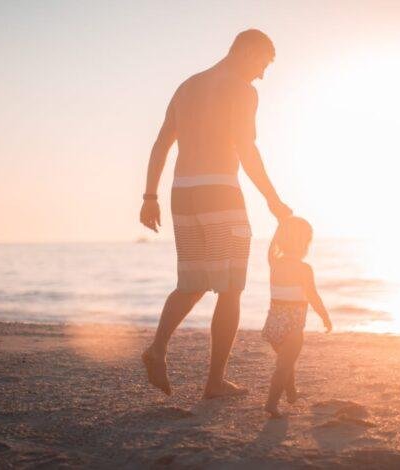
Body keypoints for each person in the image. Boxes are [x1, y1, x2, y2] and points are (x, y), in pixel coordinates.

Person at [139, 29, 292, 399]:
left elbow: (162, 143)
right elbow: (246, 149)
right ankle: (214, 383)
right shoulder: (241, 90)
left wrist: (149, 196)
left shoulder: (187, 86)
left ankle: (157, 347)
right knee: (231, 287)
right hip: (220, 192)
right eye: (262, 64)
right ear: (248, 51)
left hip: (182, 193)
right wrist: (273, 199)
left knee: (192, 283)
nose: (261, 75)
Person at [262, 217, 331, 418]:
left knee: (286, 361)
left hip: (273, 324)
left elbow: (271, 248)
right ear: (305, 244)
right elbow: (313, 296)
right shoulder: (304, 269)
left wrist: (279, 227)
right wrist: (325, 317)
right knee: (283, 366)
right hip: (292, 326)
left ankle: (291, 393)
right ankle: (271, 403)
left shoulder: (274, 263)